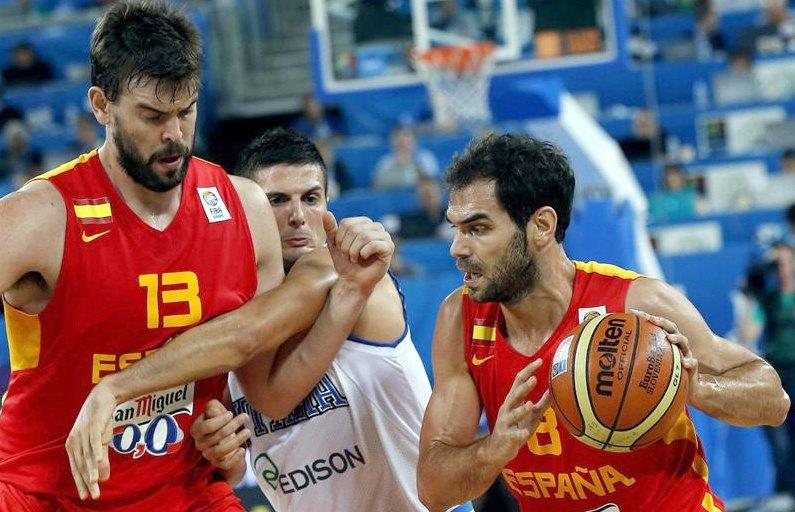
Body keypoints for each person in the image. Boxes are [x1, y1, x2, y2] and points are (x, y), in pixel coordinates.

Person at [0, 3, 361, 509]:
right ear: (102, 106)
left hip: (186, 492)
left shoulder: (244, 207)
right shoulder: (40, 215)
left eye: (186, 111)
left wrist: (229, 439)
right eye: (152, 116)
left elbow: (261, 394)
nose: (174, 135)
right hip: (43, 493)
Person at [416, 133, 790, 512]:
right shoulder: (460, 319)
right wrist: (495, 448)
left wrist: (695, 388)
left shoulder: (636, 304)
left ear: (542, 225)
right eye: (456, 229)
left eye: (478, 229)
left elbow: (774, 401)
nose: (457, 248)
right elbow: (433, 491)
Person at [189, 128, 457, 511]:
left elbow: (271, 400)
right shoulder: (237, 312)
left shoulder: (343, 270)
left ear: (329, 203)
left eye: (311, 198)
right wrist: (223, 452)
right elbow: (240, 465)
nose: (298, 216)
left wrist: (122, 385)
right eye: (277, 200)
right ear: (246, 208)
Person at [372, 125, 439, 190]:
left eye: (406, 136)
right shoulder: (386, 161)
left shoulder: (425, 157)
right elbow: (376, 186)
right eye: (397, 137)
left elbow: (432, 184)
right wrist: (396, 166)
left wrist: (413, 162)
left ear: (414, 140)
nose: (402, 140)